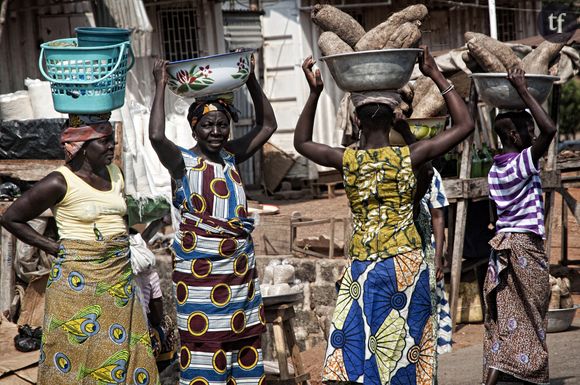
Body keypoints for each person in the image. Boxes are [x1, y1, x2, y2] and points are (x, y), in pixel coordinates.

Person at [294, 46, 474, 384]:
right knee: (406, 349)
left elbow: (301, 142)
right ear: (394, 118)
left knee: (362, 351)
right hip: (407, 266)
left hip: (364, 269)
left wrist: (315, 93)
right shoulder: (410, 156)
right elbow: (465, 124)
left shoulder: (347, 160)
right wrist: (436, 74)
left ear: (357, 121)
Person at [0, 113, 158, 385]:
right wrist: (51, 246)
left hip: (118, 282)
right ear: (82, 147)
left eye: (112, 140)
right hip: (77, 284)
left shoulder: (115, 174)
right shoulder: (59, 181)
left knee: (122, 353)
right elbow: (10, 217)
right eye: (105, 142)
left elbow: (116, 218)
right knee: (75, 353)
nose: (111, 147)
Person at [149, 54, 277, 385]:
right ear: (195, 127)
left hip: (238, 271)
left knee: (243, 341)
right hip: (199, 275)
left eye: (222, 124)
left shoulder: (232, 157)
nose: (216, 131)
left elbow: (267, 126)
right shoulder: (182, 162)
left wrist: (249, 79)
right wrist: (160, 86)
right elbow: (156, 138)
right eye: (208, 125)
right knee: (205, 344)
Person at [483, 68, 557, 385]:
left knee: (512, 317)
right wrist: (524, 91)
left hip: (504, 245)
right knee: (529, 314)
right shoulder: (520, 163)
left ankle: (499, 376)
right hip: (524, 246)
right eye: (528, 129)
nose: (533, 133)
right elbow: (550, 130)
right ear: (515, 136)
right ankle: (527, 371)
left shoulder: (495, 169)